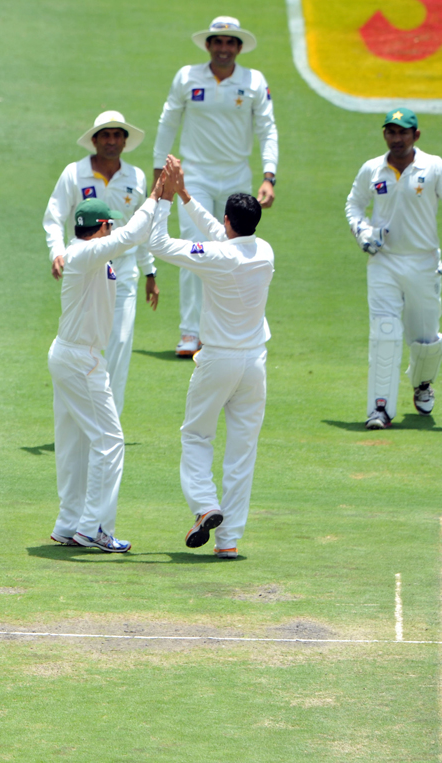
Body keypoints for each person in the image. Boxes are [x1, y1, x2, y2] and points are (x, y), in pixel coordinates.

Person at [149, 156, 274, 560]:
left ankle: (205, 505)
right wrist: (186, 194)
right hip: (254, 365)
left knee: (196, 435)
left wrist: (164, 198)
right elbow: (220, 236)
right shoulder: (264, 252)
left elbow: (160, 245)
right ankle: (229, 541)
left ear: (228, 219)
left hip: (219, 361)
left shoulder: (220, 258)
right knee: (242, 453)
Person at [151, 16, 278, 358]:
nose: (223, 49)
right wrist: (157, 168)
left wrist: (269, 175)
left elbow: (267, 128)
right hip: (196, 176)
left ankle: (226, 330)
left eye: (230, 43)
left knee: (234, 249)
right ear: (208, 45)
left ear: (238, 47)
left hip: (236, 176)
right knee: (195, 247)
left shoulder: (254, 81)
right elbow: (168, 122)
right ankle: (191, 332)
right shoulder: (186, 77)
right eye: (217, 42)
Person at [48, 187, 161, 553]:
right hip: (81, 359)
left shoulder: (87, 253)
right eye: (110, 225)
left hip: (71, 354)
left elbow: (130, 237)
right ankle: (93, 527)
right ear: (102, 226)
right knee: (109, 442)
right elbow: (130, 235)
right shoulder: (84, 252)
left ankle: (68, 523)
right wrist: (157, 196)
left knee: (75, 443)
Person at [345, 108, 442, 429]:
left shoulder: (434, 167)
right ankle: (380, 408)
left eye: (403, 132)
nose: (396, 138)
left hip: (423, 262)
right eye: (390, 132)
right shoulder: (372, 169)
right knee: (385, 331)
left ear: (416, 135)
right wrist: (361, 230)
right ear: (384, 134)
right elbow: (354, 205)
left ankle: (423, 383)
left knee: (425, 337)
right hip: (383, 261)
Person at [43, 111, 159, 415]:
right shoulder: (73, 173)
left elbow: (140, 229)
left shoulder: (136, 177)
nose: (111, 141)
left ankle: (111, 419)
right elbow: (53, 217)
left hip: (122, 275)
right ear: (94, 140)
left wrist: (150, 271)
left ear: (124, 140)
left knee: (119, 347)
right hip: (83, 273)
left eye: (117, 135)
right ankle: (79, 414)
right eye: (105, 135)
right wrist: (57, 251)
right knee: (81, 346)